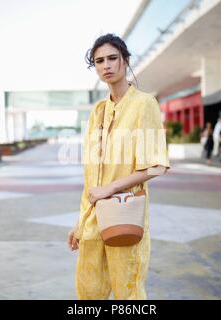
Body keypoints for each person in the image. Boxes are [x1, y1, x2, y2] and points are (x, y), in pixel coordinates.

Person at [67, 33, 170, 300]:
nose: (106, 65)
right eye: (99, 61)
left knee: (128, 291)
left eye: (112, 58)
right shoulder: (98, 111)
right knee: (88, 291)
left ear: (125, 61)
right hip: (94, 216)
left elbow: (157, 165)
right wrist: (80, 221)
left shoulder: (144, 104)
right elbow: (91, 175)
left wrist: (109, 188)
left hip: (125, 213)